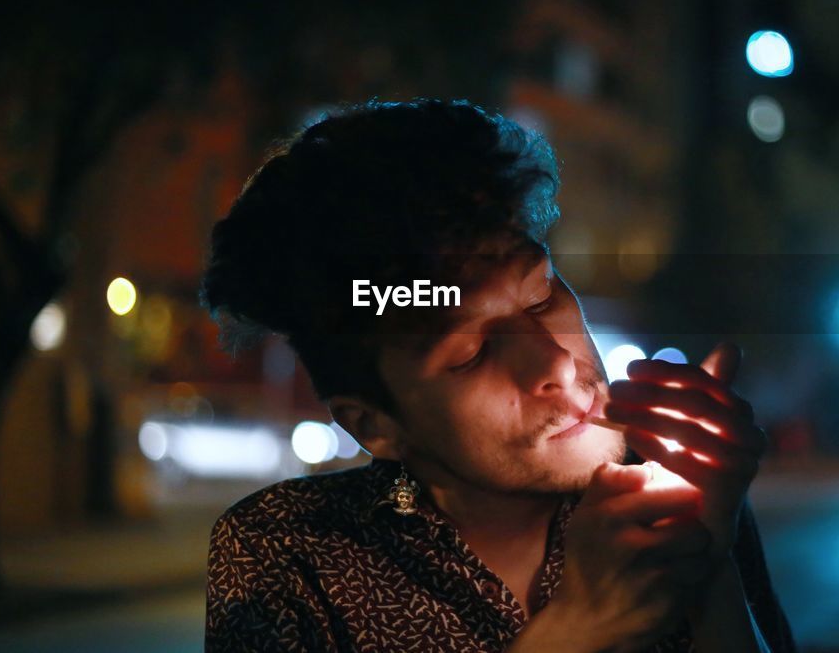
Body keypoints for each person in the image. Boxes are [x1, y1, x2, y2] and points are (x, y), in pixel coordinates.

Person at [200, 99, 794, 652]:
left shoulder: (673, 482)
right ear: (373, 424)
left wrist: (706, 569)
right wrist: (574, 631)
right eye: (471, 353)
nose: (557, 363)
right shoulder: (288, 551)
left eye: (540, 300)